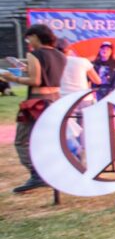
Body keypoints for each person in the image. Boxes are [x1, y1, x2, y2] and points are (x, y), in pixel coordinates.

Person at [0, 24, 66, 193]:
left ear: (36, 36)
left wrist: (11, 77)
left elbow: (36, 81)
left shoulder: (35, 54)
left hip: (37, 101)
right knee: (50, 139)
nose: (28, 41)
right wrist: (24, 70)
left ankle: (37, 174)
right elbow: (46, 74)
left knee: (22, 140)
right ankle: (53, 171)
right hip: (55, 98)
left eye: (29, 38)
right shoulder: (60, 55)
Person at [56, 39, 101, 159]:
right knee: (84, 130)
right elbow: (97, 80)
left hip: (65, 99)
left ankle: (76, 156)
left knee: (70, 130)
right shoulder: (82, 61)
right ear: (69, 49)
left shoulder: (55, 62)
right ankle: (87, 155)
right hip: (85, 98)